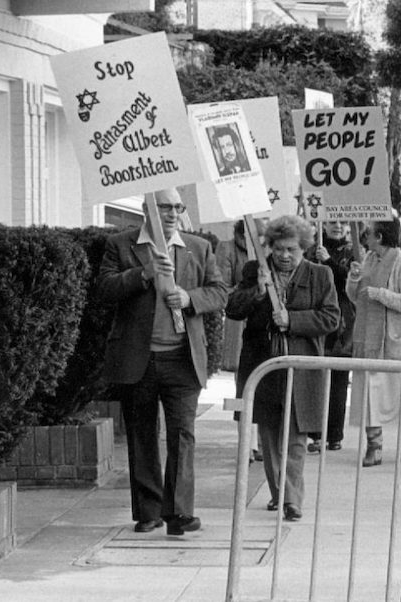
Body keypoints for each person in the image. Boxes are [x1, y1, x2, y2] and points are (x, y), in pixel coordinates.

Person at [97, 188, 228, 536]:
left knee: (183, 434)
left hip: (182, 359)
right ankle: (148, 512)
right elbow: (106, 289)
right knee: (142, 435)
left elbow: (219, 291)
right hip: (138, 358)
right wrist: (144, 274)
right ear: (146, 210)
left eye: (177, 207)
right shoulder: (122, 244)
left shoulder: (198, 248)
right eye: (164, 207)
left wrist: (189, 297)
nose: (171, 214)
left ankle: (180, 512)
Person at [226, 215, 340, 522]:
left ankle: (292, 499)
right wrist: (257, 293)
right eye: (278, 249)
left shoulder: (320, 274)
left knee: (296, 437)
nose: (284, 255)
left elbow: (331, 318)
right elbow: (233, 309)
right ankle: (279, 495)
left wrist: (293, 321)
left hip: (300, 367)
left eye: (291, 249)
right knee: (269, 433)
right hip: (263, 366)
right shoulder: (255, 270)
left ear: (303, 247)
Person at [347, 217, 401, 466]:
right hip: (369, 336)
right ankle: (374, 445)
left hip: (397, 339)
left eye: (368, 232)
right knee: (370, 392)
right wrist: (353, 279)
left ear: (379, 237)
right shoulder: (368, 259)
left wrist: (380, 294)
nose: (364, 236)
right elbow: (356, 297)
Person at [217, 219, 266, 463]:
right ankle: (245, 443)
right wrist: (247, 288)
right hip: (239, 326)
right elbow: (222, 286)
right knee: (243, 385)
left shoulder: (267, 254)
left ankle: (259, 442)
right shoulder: (227, 250)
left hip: (262, 328)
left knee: (263, 388)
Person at [306, 221, 357, 453]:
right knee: (315, 380)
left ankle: (334, 434)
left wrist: (328, 262)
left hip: (342, 324)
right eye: (332, 222)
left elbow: (351, 281)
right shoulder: (310, 250)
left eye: (342, 222)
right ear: (322, 225)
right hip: (316, 320)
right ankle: (315, 433)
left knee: (338, 382)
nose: (337, 226)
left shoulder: (352, 251)